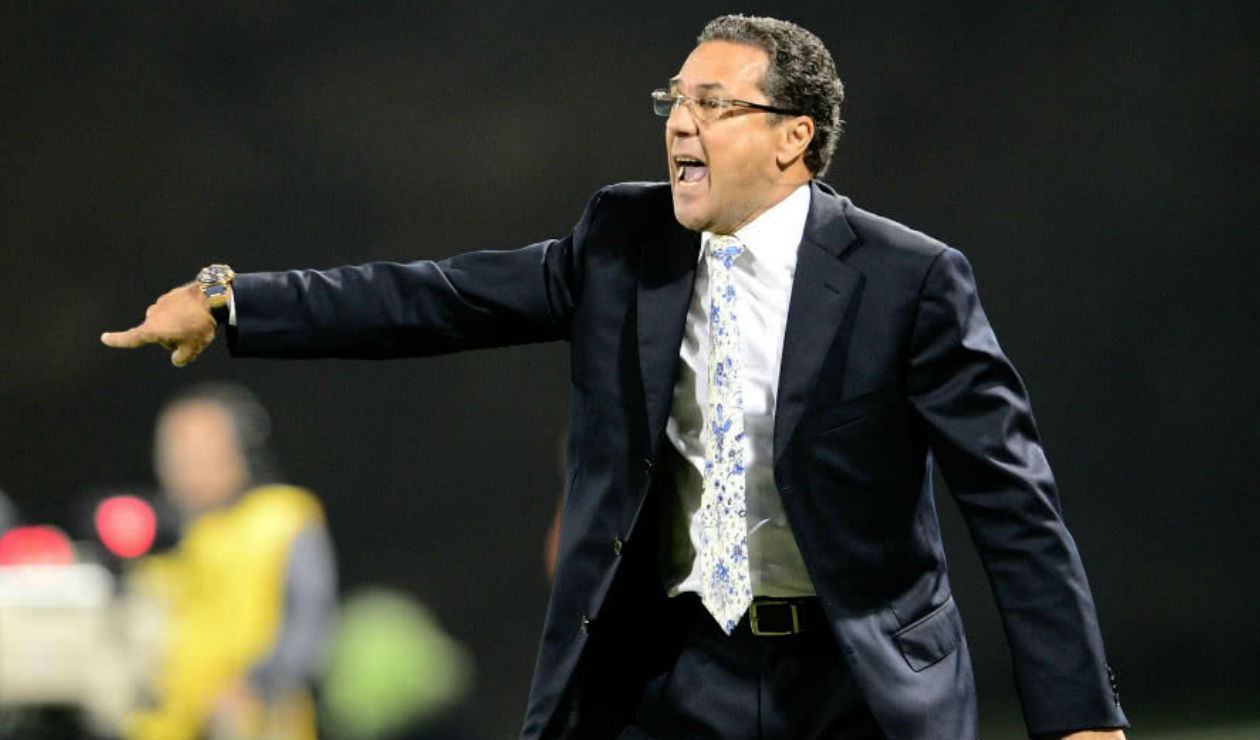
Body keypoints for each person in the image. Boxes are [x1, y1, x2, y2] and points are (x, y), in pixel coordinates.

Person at [102, 14, 1128, 740]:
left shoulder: (910, 279)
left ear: (794, 138)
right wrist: (233, 300)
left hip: (853, 681)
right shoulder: (623, 240)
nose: (679, 122)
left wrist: (1079, 711)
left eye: (713, 104)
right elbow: (433, 297)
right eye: (674, 100)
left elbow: (1012, 503)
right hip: (668, 671)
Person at [125, 383, 337, 740]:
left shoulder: (282, 517)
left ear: (241, 449)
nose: (187, 464)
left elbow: (310, 623)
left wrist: (256, 686)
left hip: (255, 723)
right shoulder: (156, 536)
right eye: (175, 449)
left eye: (203, 448)